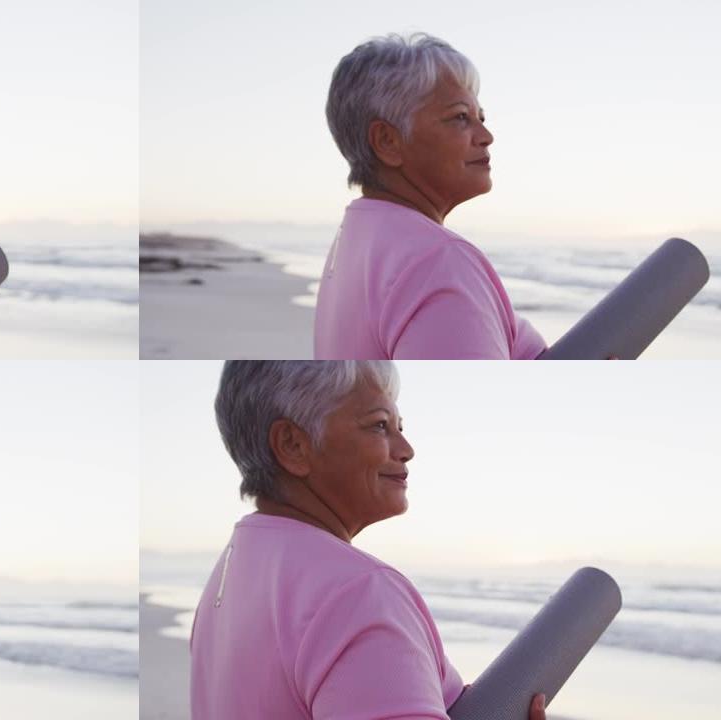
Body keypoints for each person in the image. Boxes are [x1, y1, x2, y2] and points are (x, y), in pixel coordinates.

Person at [190, 361, 546, 720]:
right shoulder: (358, 592)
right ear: (293, 445)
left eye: (400, 427)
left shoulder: (235, 567)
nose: (406, 448)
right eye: (379, 426)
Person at [315, 33, 546, 360]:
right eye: (460, 118)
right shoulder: (438, 261)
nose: (486, 136)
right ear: (387, 142)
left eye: (481, 117)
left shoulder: (357, 236)